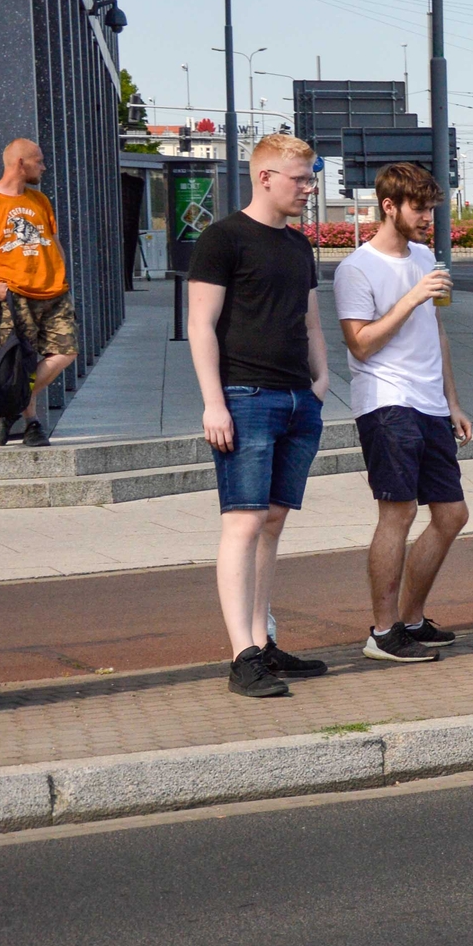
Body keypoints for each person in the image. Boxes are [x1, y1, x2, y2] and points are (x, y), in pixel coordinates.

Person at [188, 132, 330, 698]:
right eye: (300, 179)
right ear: (266, 177)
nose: (309, 189)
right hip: (245, 397)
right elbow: (201, 325)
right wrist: (214, 402)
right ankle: (241, 654)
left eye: (311, 179)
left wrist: (321, 382)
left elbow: (312, 322)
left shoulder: (299, 247)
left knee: (272, 523)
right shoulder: (222, 239)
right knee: (243, 523)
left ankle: (263, 641)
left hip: (299, 398)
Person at [334, 162, 472, 663]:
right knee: (399, 512)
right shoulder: (356, 268)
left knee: (452, 513)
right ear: (388, 206)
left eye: (432, 209)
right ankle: (382, 630)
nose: (427, 218)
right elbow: (361, 345)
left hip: (430, 402)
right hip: (386, 401)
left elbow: (436, 333)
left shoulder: (425, 255)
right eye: (419, 209)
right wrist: (411, 297)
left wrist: (452, 401)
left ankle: (411, 619)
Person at [0, 137, 78, 446]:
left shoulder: (39, 200)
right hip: (15, 294)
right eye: (38, 161)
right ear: (20, 163)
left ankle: (10, 407)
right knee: (22, 361)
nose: (43, 166)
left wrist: (62, 271)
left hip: (54, 292)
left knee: (66, 352)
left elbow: (52, 239)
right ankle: (32, 424)